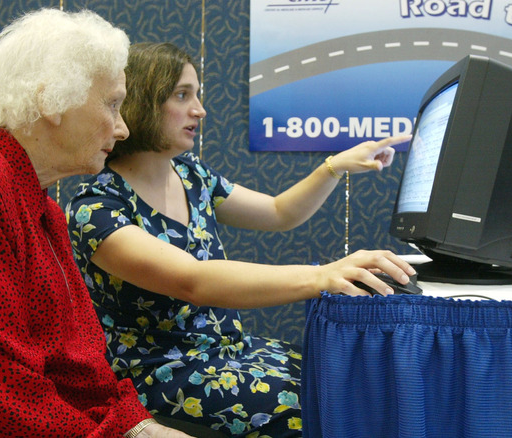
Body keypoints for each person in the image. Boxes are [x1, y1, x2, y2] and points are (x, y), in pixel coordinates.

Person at [65, 42, 415, 437]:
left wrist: (334, 166)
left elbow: (280, 212)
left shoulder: (191, 173)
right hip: (162, 373)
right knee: (314, 407)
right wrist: (320, 277)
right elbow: (194, 281)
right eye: (183, 95)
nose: (199, 109)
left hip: (229, 352)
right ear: (144, 100)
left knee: (343, 379)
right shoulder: (96, 208)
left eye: (196, 94)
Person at [0, 10, 190, 438]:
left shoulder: (43, 210)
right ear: (52, 100)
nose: (123, 128)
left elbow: (80, 367)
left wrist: (137, 427)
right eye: (112, 104)